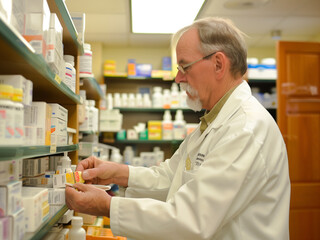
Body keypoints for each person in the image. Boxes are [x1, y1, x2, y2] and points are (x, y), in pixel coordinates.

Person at [66, 17, 290, 240]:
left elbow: (192, 220)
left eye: (184, 66)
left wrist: (107, 206)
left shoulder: (245, 129)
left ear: (219, 64)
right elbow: (171, 176)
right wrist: (117, 173)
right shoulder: (213, 122)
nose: (178, 77)